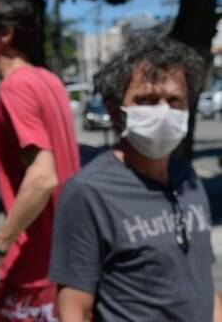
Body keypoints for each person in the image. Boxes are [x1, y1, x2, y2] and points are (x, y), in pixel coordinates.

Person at [49, 33, 216, 321]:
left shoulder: (186, 177)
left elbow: (201, 281)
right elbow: (75, 309)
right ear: (116, 112)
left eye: (175, 100)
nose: (164, 112)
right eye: (147, 100)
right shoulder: (88, 192)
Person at [0, 0, 80, 321]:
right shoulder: (49, 80)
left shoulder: (14, 87)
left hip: (34, 261)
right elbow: (52, 154)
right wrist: (4, 175)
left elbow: (44, 176)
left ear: (6, 34)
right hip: (67, 256)